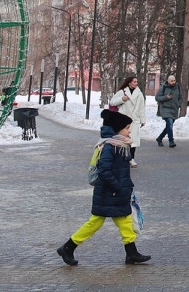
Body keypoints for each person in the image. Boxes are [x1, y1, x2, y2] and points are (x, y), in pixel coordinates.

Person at [56, 109, 151, 265]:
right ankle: (68, 247)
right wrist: (118, 187)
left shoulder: (120, 145)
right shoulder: (109, 146)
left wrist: (127, 186)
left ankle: (131, 253)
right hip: (109, 193)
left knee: (125, 220)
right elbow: (104, 171)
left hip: (117, 192)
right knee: (95, 223)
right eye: (127, 128)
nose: (129, 131)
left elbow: (121, 171)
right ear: (117, 129)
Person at [109, 76, 145, 167]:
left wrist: (142, 120)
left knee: (133, 140)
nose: (136, 83)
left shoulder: (139, 93)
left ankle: (131, 158)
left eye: (137, 81)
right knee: (122, 139)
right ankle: (119, 157)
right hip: (123, 120)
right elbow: (112, 102)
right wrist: (122, 99)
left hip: (135, 120)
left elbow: (141, 108)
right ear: (129, 83)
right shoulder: (122, 92)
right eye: (134, 81)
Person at [155, 74, 180, 148]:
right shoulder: (164, 87)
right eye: (171, 81)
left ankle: (159, 138)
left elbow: (181, 97)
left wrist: (179, 104)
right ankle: (171, 141)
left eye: (174, 80)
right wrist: (166, 97)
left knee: (169, 126)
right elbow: (157, 97)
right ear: (168, 81)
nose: (173, 82)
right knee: (169, 123)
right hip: (165, 108)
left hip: (174, 109)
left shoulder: (177, 87)